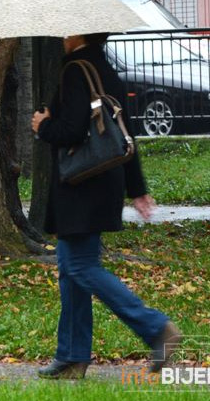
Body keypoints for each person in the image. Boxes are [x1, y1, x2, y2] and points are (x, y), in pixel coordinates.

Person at [31, 33, 181, 380]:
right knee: (70, 271)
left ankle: (156, 328)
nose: (62, 36)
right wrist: (136, 188)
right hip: (104, 182)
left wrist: (43, 125)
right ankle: (71, 357)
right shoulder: (106, 70)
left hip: (81, 185)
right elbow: (124, 135)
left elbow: (71, 130)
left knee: (80, 268)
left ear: (79, 34)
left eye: (67, 30)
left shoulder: (74, 71)